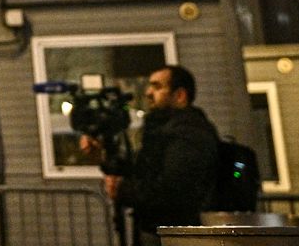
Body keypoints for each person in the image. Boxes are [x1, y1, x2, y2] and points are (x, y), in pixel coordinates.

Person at [83, 64, 219, 245]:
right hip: (157, 232)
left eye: (157, 87)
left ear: (180, 96)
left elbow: (172, 190)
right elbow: (144, 170)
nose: (148, 93)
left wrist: (123, 189)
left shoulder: (190, 134)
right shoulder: (161, 131)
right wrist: (103, 156)